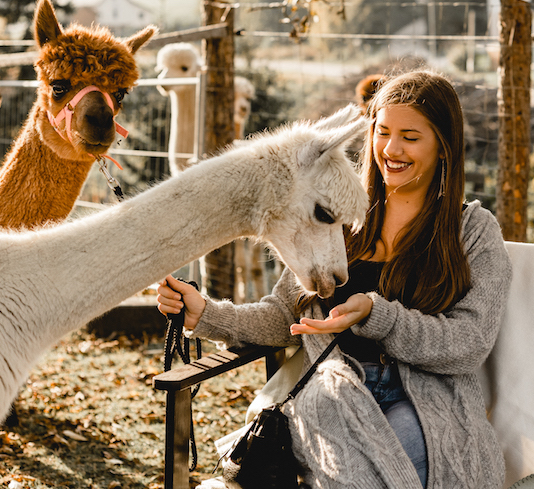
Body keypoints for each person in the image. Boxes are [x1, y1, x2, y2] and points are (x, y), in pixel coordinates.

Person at [157, 69, 512, 489]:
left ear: (444, 146)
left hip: (426, 400)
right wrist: (208, 314)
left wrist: (378, 316)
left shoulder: (472, 231)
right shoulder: (337, 215)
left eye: (411, 137)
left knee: (391, 471)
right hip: (333, 391)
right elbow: (285, 316)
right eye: (382, 132)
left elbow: (469, 343)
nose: (391, 149)